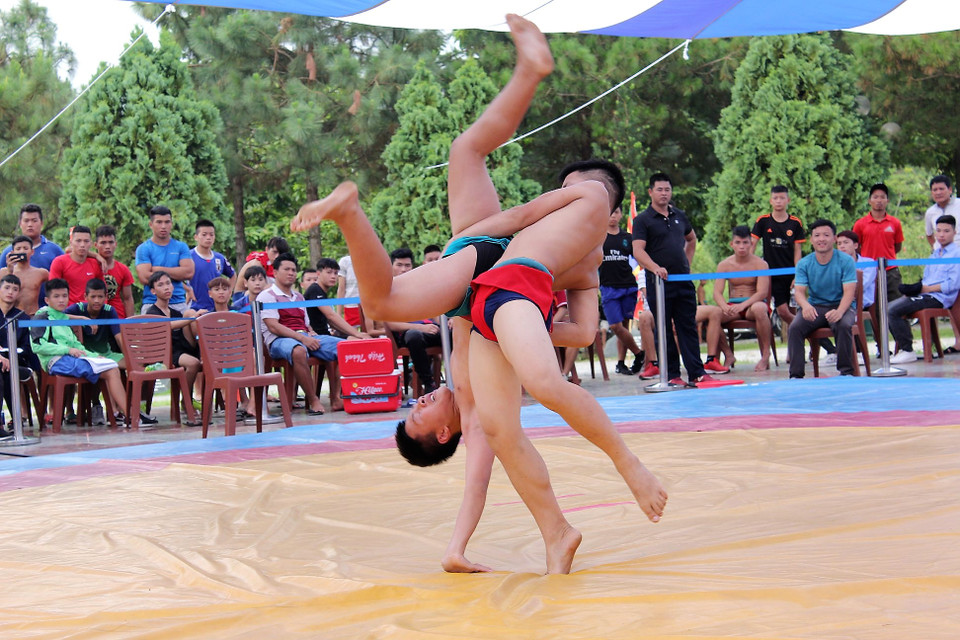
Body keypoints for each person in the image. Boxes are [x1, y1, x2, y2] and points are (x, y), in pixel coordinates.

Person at [293, 15, 665, 574]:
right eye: (421, 415)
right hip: (491, 271)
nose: (418, 401)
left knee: (405, 308)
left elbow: (583, 330)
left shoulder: (586, 225)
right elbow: (526, 223)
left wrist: (527, 327)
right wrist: (476, 244)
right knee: (458, 163)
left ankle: (625, 468)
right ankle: (556, 532)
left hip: (494, 280)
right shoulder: (578, 208)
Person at [632, 172, 713, 386]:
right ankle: (672, 375)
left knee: (687, 326)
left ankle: (697, 372)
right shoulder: (643, 220)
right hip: (658, 284)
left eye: (667, 189)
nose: (664, 193)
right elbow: (638, 251)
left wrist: (686, 263)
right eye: (659, 189)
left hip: (682, 281)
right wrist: (655, 268)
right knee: (664, 329)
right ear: (650, 192)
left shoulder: (679, 215)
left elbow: (691, 238)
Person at [31, 278, 129, 427]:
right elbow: (37, 346)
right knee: (110, 370)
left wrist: (95, 356)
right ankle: (131, 415)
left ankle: (128, 413)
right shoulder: (42, 316)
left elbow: (76, 345)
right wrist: (67, 350)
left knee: (109, 365)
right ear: (47, 299)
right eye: (56, 296)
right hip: (56, 361)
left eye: (64, 296)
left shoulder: (63, 317)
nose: (61, 300)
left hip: (71, 359)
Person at [258, 252, 344, 414]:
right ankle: (313, 399)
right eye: (286, 269)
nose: (291, 273)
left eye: (293, 269)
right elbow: (274, 327)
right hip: (278, 341)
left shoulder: (298, 296)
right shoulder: (267, 296)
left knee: (345, 347)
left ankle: (336, 398)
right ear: (275, 273)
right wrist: (302, 338)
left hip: (303, 335)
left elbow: (306, 325)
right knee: (298, 350)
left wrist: (309, 334)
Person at [787, 219, 857, 378]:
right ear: (811, 240)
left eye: (826, 235)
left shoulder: (846, 261)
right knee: (795, 328)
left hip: (842, 306)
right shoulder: (804, 263)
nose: (821, 239)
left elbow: (849, 292)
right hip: (816, 306)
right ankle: (796, 376)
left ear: (834, 239)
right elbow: (799, 292)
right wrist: (805, 306)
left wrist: (839, 311)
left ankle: (846, 372)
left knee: (843, 324)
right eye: (817, 235)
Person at [887, 215, 960, 363]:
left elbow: (953, 285)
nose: (941, 234)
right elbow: (927, 278)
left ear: (955, 232)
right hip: (926, 294)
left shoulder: (956, 254)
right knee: (888, 307)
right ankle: (904, 348)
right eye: (938, 231)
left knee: (893, 310)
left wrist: (927, 289)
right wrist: (917, 288)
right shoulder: (935, 253)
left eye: (946, 231)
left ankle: (907, 350)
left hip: (939, 298)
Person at [589, 187, 642, 376]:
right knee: (616, 326)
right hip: (609, 288)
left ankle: (621, 363)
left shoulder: (628, 238)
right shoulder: (598, 238)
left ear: (620, 215)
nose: (613, 216)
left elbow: (639, 260)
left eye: (616, 212)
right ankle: (640, 353)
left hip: (628, 286)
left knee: (624, 327)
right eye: (609, 213)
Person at [143, 271, 202, 425]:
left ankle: (204, 353)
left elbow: (184, 323)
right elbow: (166, 326)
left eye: (168, 283)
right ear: (153, 291)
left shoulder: (176, 312)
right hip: (165, 354)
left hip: (182, 347)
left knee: (190, 312)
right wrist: (191, 318)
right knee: (193, 363)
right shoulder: (152, 312)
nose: (166, 287)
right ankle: (186, 400)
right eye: (161, 285)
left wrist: (193, 318)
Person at [384, 248, 443, 395]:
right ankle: (429, 383)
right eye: (399, 265)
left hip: (431, 329)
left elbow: (435, 312)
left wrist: (449, 322)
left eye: (407, 265)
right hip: (408, 333)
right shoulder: (387, 290)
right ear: (391, 266)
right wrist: (420, 328)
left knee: (456, 333)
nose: (403, 269)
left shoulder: (420, 286)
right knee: (414, 336)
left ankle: (460, 380)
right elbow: (390, 323)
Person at [713, 226, 773, 371]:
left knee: (759, 308)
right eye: (738, 242)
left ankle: (765, 355)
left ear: (751, 244)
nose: (742, 247)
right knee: (713, 314)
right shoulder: (724, 265)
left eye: (745, 242)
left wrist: (744, 305)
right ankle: (728, 354)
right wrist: (724, 306)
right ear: (731, 244)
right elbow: (717, 293)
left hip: (753, 304)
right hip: (733, 305)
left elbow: (762, 292)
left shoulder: (760, 264)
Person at [751, 185, 805, 343]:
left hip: (790, 274)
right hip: (771, 274)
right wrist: (751, 269)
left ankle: (794, 349)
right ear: (771, 201)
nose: (779, 201)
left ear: (788, 200)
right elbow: (752, 245)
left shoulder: (795, 223)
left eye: (782, 198)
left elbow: (797, 250)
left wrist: (798, 274)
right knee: (783, 311)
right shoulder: (763, 221)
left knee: (793, 311)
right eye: (775, 198)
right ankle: (812, 335)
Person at [135, 206, 195, 313]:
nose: (163, 226)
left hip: (179, 303)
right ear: (151, 224)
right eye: (159, 222)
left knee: (191, 319)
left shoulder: (181, 247)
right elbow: (144, 277)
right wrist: (176, 272)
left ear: (171, 224)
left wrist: (157, 270)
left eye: (167, 222)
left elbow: (188, 272)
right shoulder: (144, 249)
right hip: (151, 303)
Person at [852, 183, 903, 304]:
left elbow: (897, 246)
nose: (879, 200)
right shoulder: (860, 224)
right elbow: (855, 247)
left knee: (896, 304)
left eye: (882, 197)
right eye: (875, 197)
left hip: (890, 270)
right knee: (873, 306)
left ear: (887, 200)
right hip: (869, 271)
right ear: (869, 201)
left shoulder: (895, 223)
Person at [0, 275, 34, 438]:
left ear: (19, 293)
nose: (10, 292)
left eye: (14, 289)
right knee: (3, 370)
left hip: (17, 362)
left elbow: (27, 348)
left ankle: (16, 420)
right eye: (6, 288)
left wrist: (9, 356)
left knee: (7, 371)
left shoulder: (22, 317)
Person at [304, 258, 370, 339]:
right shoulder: (315, 290)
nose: (333, 276)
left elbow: (331, 322)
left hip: (326, 334)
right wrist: (357, 333)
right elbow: (331, 316)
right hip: (318, 337)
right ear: (318, 273)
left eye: (335, 273)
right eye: (329, 272)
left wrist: (352, 334)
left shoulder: (321, 291)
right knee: (359, 341)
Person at [48, 226, 104, 305]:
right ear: (71, 243)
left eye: (86, 241)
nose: (82, 245)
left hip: (90, 312)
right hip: (67, 312)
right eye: (78, 241)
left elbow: (102, 292)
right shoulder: (59, 262)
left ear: (91, 244)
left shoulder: (95, 264)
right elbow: (52, 292)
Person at [189, 219, 236, 312]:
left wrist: (228, 292)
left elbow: (233, 275)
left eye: (211, 235)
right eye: (204, 234)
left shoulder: (219, 258)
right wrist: (187, 290)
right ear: (196, 237)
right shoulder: (188, 256)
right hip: (196, 307)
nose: (208, 237)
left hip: (216, 308)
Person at [0, 203, 64, 270]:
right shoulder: (8, 252)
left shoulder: (54, 250)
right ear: (20, 224)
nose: (30, 224)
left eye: (34, 221)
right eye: (26, 221)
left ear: (41, 223)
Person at [0, 235, 49, 316]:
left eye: (25, 248)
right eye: (18, 249)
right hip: (11, 318)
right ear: (12, 252)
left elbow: (57, 286)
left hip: (32, 317)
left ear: (32, 252)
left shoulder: (41, 273)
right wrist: (10, 271)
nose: (22, 251)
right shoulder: (3, 272)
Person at [94, 225, 135, 318]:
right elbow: (71, 250)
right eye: (103, 243)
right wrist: (95, 256)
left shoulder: (123, 269)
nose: (107, 246)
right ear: (95, 245)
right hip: (95, 318)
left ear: (115, 244)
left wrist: (130, 324)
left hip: (117, 317)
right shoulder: (89, 265)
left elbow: (128, 299)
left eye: (111, 242)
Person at [836, 230, 876, 311]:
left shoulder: (869, 263)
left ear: (855, 245)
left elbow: (861, 286)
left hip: (860, 304)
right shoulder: (835, 264)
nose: (842, 246)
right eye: (839, 243)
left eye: (846, 242)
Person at [925, 175, 960, 248]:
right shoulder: (930, 212)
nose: (938, 193)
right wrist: (936, 249)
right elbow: (929, 235)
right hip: (941, 257)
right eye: (935, 190)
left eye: (941, 189)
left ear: (950, 190)